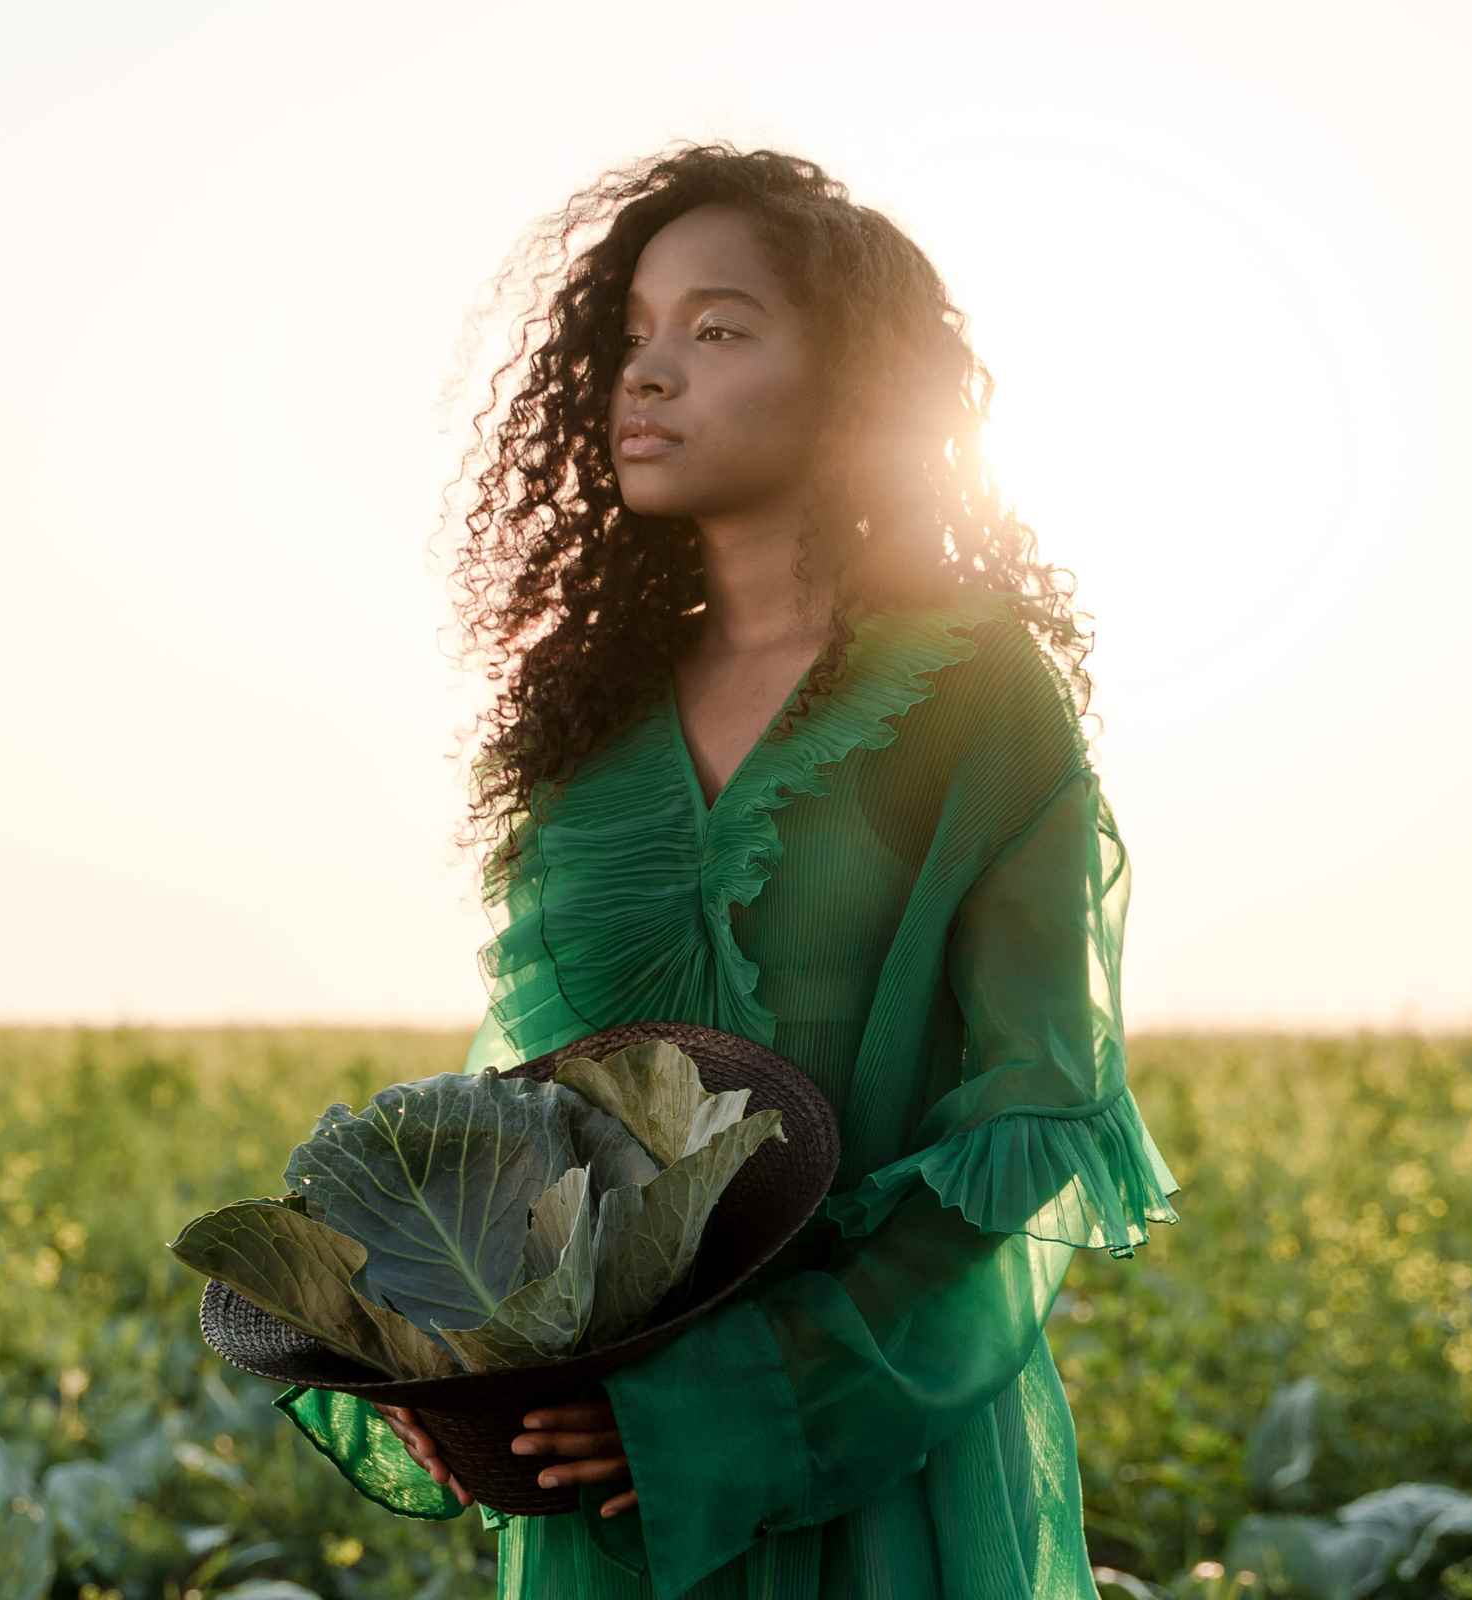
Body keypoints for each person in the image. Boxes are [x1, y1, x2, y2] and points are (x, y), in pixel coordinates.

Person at [273, 140, 1183, 1599]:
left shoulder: (973, 694)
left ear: (853, 383)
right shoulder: (585, 721)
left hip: (872, 1459)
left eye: (716, 331)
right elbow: (534, 1097)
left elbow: (1035, 1113)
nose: (646, 374)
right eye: (631, 336)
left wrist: (738, 1412)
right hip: (591, 1473)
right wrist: (446, 1343)